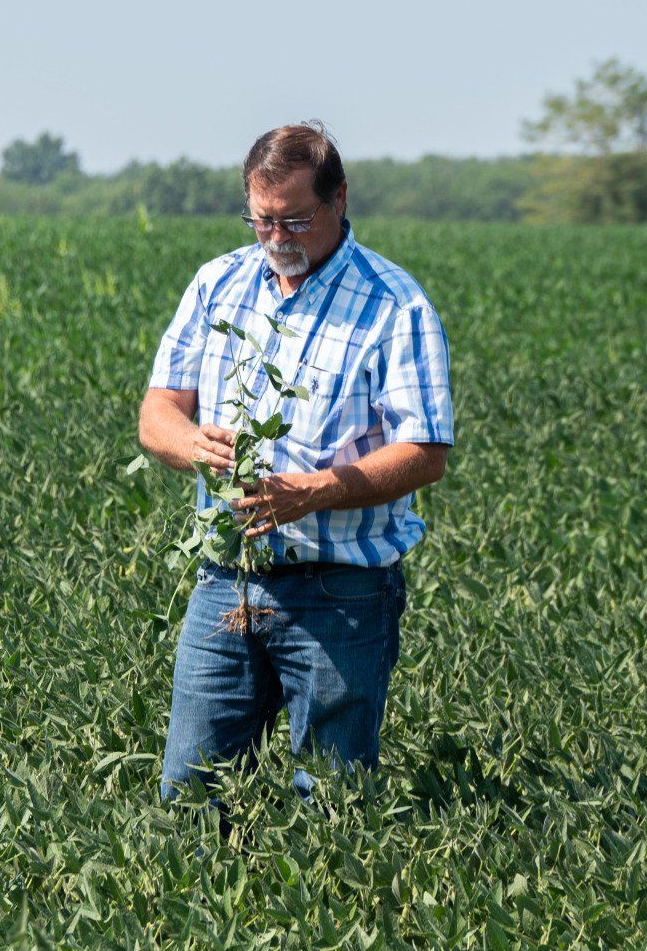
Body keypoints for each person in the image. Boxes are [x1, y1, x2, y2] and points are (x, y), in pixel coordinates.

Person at [137, 122, 454, 805]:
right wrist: (192, 445)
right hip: (226, 582)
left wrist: (314, 492)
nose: (278, 238)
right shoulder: (217, 285)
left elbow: (426, 452)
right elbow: (156, 413)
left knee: (331, 802)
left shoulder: (396, 306)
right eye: (262, 221)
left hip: (343, 592)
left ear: (340, 200)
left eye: (296, 221)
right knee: (192, 796)